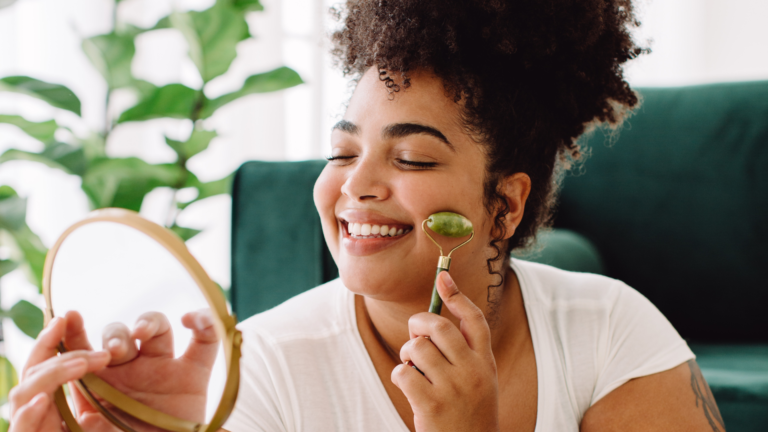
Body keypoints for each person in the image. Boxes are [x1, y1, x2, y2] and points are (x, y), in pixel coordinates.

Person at [10, 0, 727, 431]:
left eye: (412, 160)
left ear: (503, 204)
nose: (358, 185)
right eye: (340, 152)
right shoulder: (261, 370)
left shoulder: (609, 332)